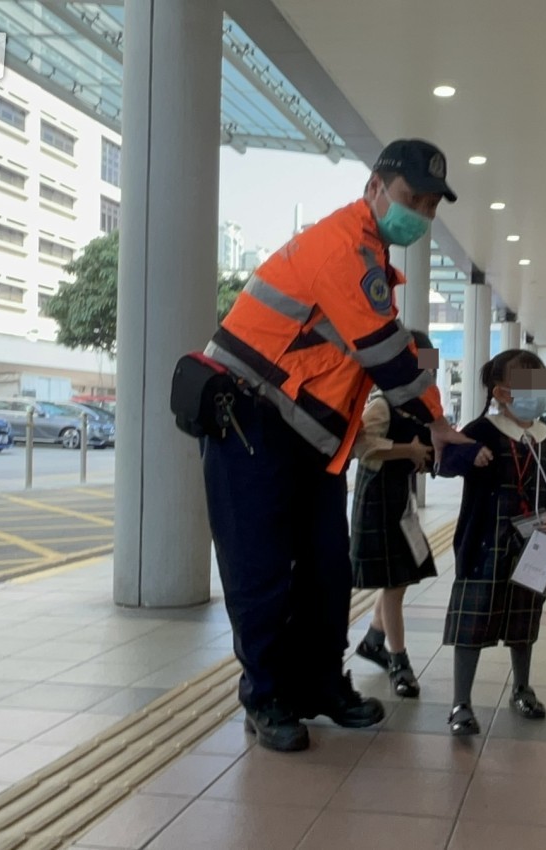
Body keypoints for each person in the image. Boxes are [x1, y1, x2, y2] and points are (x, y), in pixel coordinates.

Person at [199, 139, 491, 752]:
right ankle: (266, 697)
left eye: (433, 205)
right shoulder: (340, 248)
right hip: (251, 425)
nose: (423, 214)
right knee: (261, 575)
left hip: (309, 441)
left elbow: (387, 349)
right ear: (376, 188)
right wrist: (437, 425)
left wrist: (430, 420)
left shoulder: (372, 260)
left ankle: (320, 687)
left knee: (329, 570)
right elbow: (384, 351)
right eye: (414, 199)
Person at [437, 349, 546, 736]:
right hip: (485, 542)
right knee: (472, 622)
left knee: (524, 618)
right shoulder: (481, 430)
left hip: (534, 543)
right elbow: (443, 463)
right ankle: (461, 702)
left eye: (540, 386)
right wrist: (468, 455)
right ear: (501, 392)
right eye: (529, 387)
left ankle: (522, 688)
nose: (538, 395)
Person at [351, 330, 438, 699]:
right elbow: (361, 446)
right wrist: (408, 450)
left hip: (399, 501)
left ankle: (374, 639)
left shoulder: (416, 405)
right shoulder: (383, 402)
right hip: (378, 501)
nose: (428, 377)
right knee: (394, 581)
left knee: (397, 579)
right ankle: (398, 659)